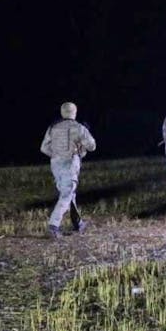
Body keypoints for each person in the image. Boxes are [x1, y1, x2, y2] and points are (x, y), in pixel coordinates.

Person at [40, 102, 96, 238]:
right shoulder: (79, 128)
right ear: (74, 113)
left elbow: (44, 148)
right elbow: (92, 146)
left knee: (69, 192)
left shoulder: (53, 128)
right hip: (70, 164)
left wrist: (56, 155)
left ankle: (78, 223)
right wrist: (79, 148)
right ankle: (53, 226)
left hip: (55, 165)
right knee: (66, 194)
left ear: (62, 112)